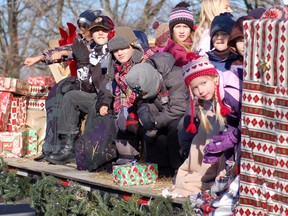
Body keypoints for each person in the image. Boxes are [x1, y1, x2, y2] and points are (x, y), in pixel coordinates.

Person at [45, 15, 115, 165]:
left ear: (111, 32)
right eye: (96, 31)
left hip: (111, 98)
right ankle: (68, 149)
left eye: (104, 30)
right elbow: (87, 86)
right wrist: (83, 64)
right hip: (97, 96)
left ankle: (89, 150)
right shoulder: (93, 53)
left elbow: (108, 81)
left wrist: (104, 100)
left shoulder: (114, 51)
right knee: (71, 96)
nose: (100, 33)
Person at [172, 53, 242, 197]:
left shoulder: (231, 91)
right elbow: (232, 122)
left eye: (203, 83)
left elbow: (248, 120)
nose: (201, 91)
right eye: (195, 88)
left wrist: (231, 138)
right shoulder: (213, 96)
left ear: (215, 78)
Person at [125, 52, 188, 177]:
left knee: (174, 129)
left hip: (182, 114)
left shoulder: (175, 77)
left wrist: (155, 123)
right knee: (151, 133)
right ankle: (159, 168)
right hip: (164, 113)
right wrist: (145, 115)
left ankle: (178, 168)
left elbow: (179, 108)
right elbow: (146, 102)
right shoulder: (143, 77)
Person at [96, 26, 145, 164]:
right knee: (120, 121)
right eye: (115, 50)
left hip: (142, 107)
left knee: (129, 119)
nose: (119, 53)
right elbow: (113, 90)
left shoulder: (142, 65)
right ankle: (126, 159)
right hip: (123, 108)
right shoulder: (116, 70)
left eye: (123, 48)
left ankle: (137, 156)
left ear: (132, 47)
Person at [162, 1, 195, 68]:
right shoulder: (173, 50)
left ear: (190, 29)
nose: (181, 31)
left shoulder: (198, 44)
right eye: (178, 27)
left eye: (185, 27)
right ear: (172, 30)